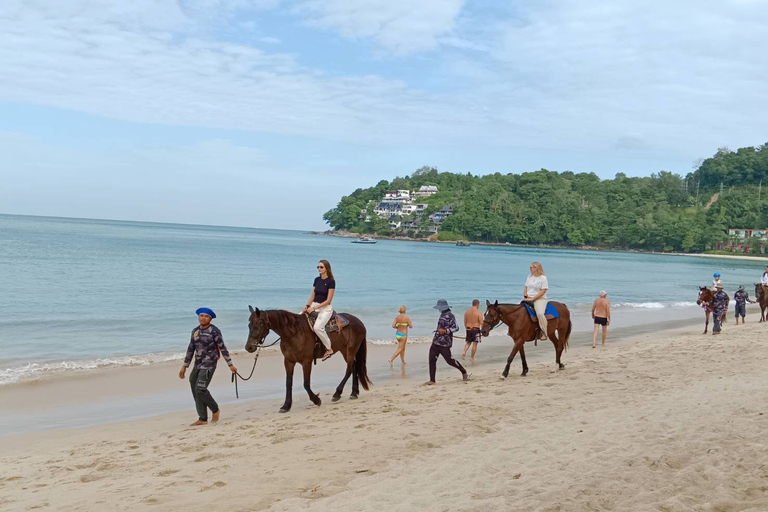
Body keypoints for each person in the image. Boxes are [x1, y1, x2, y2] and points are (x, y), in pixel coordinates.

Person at [179, 308, 237, 427]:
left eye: (206, 316)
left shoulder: (214, 331)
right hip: (197, 364)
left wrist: (230, 364)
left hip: (209, 364)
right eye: (201, 315)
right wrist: (184, 366)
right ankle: (202, 418)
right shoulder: (195, 331)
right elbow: (191, 349)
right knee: (194, 387)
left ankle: (215, 409)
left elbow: (223, 348)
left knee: (200, 389)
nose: (203, 318)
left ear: (210, 319)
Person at [424, 299, 469, 385]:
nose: (438, 309)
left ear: (444, 307)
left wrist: (446, 331)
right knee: (431, 360)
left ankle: (463, 371)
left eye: (439, 308)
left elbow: (456, 328)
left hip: (445, 343)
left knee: (450, 361)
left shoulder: (450, 316)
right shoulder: (442, 314)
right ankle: (432, 380)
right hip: (436, 341)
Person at [302, 259, 336, 361]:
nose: (319, 269)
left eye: (321, 267)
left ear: (327, 268)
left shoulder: (331, 282)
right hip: (313, 305)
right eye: (318, 267)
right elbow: (312, 295)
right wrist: (307, 306)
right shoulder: (317, 280)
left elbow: (328, 300)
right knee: (298, 319)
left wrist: (314, 308)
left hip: (325, 308)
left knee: (317, 328)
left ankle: (329, 349)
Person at [524, 262, 549, 341]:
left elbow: (543, 291)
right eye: (530, 267)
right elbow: (526, 287)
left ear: (537, 269)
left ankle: (544, 332)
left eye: (532, 267)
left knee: (540, 313)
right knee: (514, 310)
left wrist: (533, 298)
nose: (530, 269)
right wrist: (525, 296)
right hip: (528, 298)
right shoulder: (529, 276)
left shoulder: (543, 278)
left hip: (540, 299)